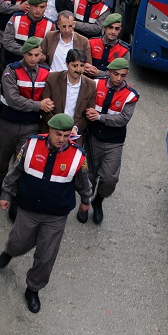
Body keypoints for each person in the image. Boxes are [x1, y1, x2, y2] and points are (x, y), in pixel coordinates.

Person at [0, 113, 92, 314]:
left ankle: (33, 289)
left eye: (66, 136)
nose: (62, 140)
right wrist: (6, 193)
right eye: (58, 134)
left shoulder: (78, 156)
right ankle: (10, 252)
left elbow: (83, 183)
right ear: (49, 130)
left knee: (46, 256)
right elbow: (15, 171)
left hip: (55, 216)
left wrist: (85, 201)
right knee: (18, 241)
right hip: (28, 209)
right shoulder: (31, 145)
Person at [0, 36, 53, 204]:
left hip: (30, 125)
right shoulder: (11, 71)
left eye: (37, 54)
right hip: (8, 123)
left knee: (22, 161)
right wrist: (38, 105)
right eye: (30, 55)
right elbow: (13, 100)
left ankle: (12, 194)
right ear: (24, 54)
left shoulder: (46, 74)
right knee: (2, 156)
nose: (33, 59)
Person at [83, 58, 139, 224]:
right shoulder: (94, 83)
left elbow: (123, 119)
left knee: (110, 178)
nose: (119, 78)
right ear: (109, 72)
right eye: (115, 74)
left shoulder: (131, 95)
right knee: (89, 174)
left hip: (114, 141)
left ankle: (98, 200)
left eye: (122, 75)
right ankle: (85, 203)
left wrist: (99, 117)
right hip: (92, 137)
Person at [40, 49, 96, 136]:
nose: (78, 69)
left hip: (73, 133)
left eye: (82, 66)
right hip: (50, 130)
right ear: (67, 64)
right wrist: (55, 125)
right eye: (74, 65)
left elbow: (88, 114)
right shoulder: (52, 78)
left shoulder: (91, 85)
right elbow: (45, 107)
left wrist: (76, 128)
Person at [3, 0, 56, 65]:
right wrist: (27, 52)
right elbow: (7, 41)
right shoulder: (15, 18)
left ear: (46, 7)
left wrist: (39, 56)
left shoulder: (51, 25)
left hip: (38, 67)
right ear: (29, 5)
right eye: (35, 6)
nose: (38, 10)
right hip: (13, 62)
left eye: (42, 7)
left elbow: (51, 50)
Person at [84, 13, 130, 78]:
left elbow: (121, 75)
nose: (113, 32)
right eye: (110, 27)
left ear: (120, 30)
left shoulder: (124, 51)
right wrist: (85, 66)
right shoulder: (91, 43)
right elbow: (79, 63)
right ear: (105, 27)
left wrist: (99, 73)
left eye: (116, 29)